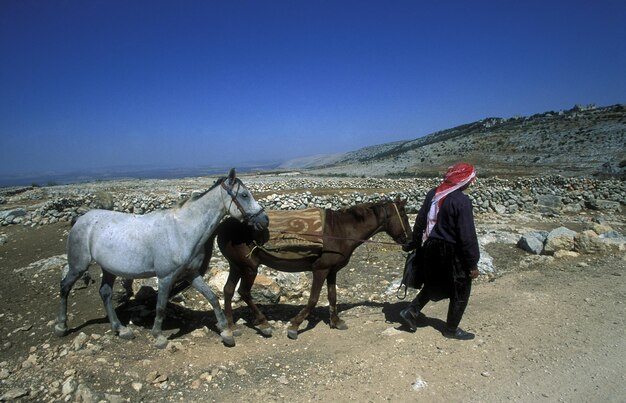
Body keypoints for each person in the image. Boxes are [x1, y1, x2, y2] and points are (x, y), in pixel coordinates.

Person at [400, 163, 480, 340]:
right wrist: (473, 263)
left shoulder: (433, 194)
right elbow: (467, 235)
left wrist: (414, 243)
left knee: (435, 282)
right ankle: (451, 329)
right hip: (451, 250)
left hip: (430, 247)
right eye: (471, 178)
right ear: (463, 180)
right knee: (461, 288)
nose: (472, 182)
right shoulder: (461, 201)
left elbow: (421, 221)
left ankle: (411, 311)